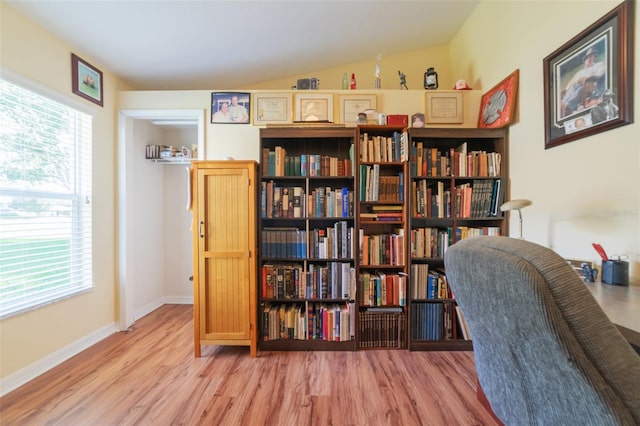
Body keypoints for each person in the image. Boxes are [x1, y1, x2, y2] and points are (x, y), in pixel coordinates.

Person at [561, 46, 605, 117]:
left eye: (591, 56)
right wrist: (573, 84)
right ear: (584, 60)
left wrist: (586, 78)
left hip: (591, 85)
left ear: (594, 57)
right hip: (577, 87)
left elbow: (600, 75)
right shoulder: (579, 72)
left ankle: (568, 107)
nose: (589, 59)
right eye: (587, 57)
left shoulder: (599, 65)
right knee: (572, 88)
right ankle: (565, 106)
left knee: (580, 87)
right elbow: (570, 84)